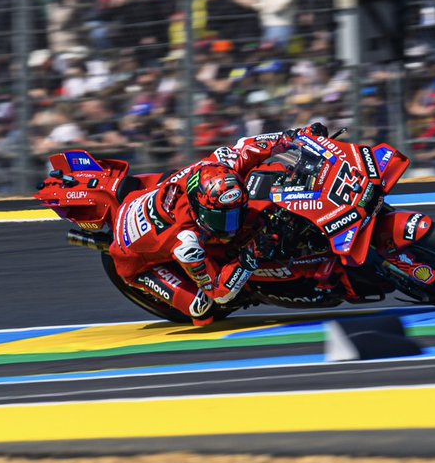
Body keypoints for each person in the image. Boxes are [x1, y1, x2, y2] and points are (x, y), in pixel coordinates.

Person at [108, 123, 326, 325]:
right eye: (222, 218)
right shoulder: (187, 243)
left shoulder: (220, 165)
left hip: (148, 196)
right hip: (132, 260)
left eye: (233, 214)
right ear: (199, 210)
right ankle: (252, 289)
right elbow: (219, 292)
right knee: (202, 308)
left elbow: (249, 145)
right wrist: (250, 256)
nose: (232, 224)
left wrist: (298, 135)